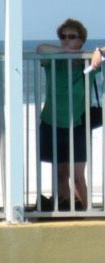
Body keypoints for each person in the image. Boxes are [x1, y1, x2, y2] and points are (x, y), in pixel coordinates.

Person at [35, 19, 94, 211]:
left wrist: (98, 53)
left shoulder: (88, 62)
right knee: (60, 174)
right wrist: (68, 53)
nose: (66, 40)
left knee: (77, 176)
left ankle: (87, 214)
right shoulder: (54, 61)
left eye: (71, 37)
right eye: (63, 37)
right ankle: (67, 209)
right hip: (51, 122)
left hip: (77, 125)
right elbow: (41, 48)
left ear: (81, 40)